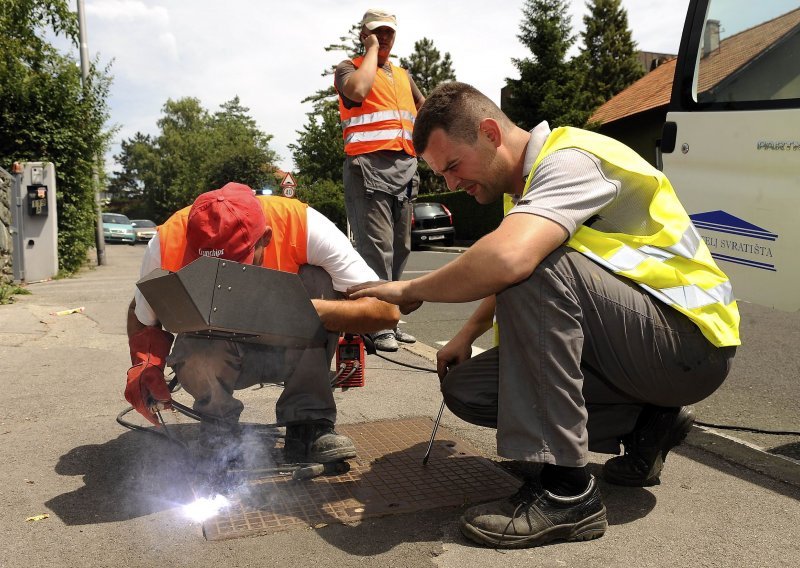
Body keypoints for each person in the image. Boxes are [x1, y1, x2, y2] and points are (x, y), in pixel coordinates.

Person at [348, 82, 739, 548]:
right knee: (468, 389)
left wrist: (409, 288)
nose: (452, 184)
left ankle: (568, 494)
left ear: (491, 132)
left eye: (453, 166)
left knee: (530, 267)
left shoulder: (571, 159)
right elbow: (513, 271)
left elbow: (513, 264)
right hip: (641, 350)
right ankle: (648, 424)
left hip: (690, 344)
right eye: (441, 175)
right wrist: (466, 333)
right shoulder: (526, 188)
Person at [125, 182, 399, 468]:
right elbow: (143, 316)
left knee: (319, 280)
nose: (228, 279)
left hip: (292, 347)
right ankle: (219, 429)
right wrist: (145, 368)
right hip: (218, 351)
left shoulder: (303, 225)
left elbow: (386, 310)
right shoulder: (167, 239)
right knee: (193, 349)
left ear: (265, 238)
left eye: (237, 263)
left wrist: (310, 311)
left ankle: (308, 423)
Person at [334, 8, 425, 352]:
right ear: (365, 34)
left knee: (400, 248)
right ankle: (375, 322)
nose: (384, 37)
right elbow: (357, 92)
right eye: (377, 32)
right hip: (368, 166)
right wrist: (371, 50)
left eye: (388, 32)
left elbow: (424, 110)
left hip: (404, 165)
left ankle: (390, 317)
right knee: (376, 248)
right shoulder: (349, 68)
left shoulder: (403, 75)